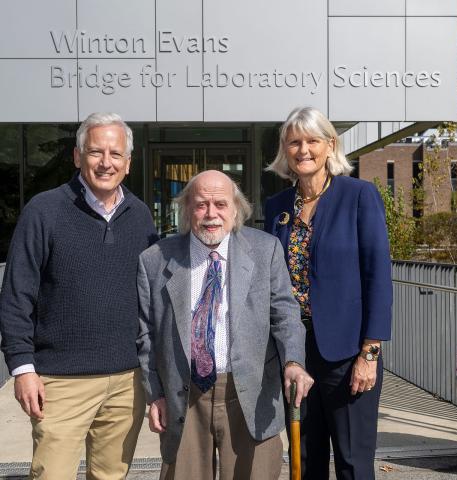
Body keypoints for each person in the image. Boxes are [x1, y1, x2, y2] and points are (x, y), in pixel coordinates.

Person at [0, 112, 158, 479]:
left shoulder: (140, 216)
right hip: (59, 382)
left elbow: (151, 299)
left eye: (116, 154)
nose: (106, 163)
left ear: (128, 163)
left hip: (126, 382)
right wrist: (23, 367)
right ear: (77, 156)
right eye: (95, 152)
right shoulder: (44, 210)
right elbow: (16, 294)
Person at [137, 169, 314, 480]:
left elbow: (285, 313)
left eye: (220, 204)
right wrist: (156, 395)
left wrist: (294, 361)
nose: (211, 214)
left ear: (236, 210)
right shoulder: (154, 259)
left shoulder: (266, 249)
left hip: (252, 391)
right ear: (187, 209)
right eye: (201, 204)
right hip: (184, 394)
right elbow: (146, 335)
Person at [264, 106, 392, 479]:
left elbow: (378, 278)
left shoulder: (359, 196)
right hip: (295, 353)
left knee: (353, 462)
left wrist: (370, 353)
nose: (303, 150)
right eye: (294, 142)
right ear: (284, 151)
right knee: (305, 460)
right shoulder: (277, 207)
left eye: (312, 141)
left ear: (330, 145)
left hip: (348, 353)